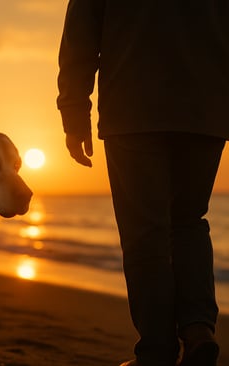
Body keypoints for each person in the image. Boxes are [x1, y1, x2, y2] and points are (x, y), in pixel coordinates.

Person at [57, 1, 229, 366]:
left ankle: (156, 352)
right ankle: (198, 331)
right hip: (205, 109)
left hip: (133, 107)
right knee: (189, 221)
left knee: (144, 235)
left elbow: (80, 36)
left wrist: (74, 112)